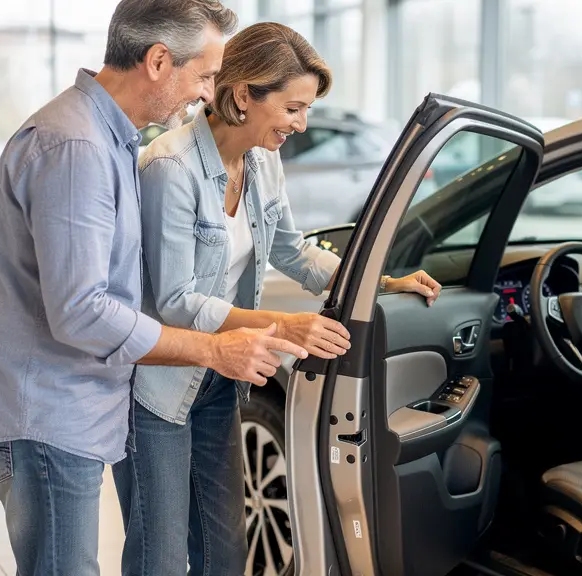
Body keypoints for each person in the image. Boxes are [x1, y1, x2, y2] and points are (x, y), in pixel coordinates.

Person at [0, 3, 311, 575]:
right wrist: (214, 348)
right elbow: (83, 313)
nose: (209, 93)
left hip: (74, 405)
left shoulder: (110, 138)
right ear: (160, 61)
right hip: (42, 411)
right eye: (207, 75)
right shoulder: (78, 147)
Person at [114, 21, 442, 575]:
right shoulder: (169, 168)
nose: (301, 123)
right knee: (162, 557)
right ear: (244, 95)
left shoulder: (264, 161)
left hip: (221, 377)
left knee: (225, 550)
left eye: (306, 109)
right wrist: (283, 326)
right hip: (158, 387)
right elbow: (176, 302)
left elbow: (294, 252)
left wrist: (380, 281)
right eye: (293, 108)